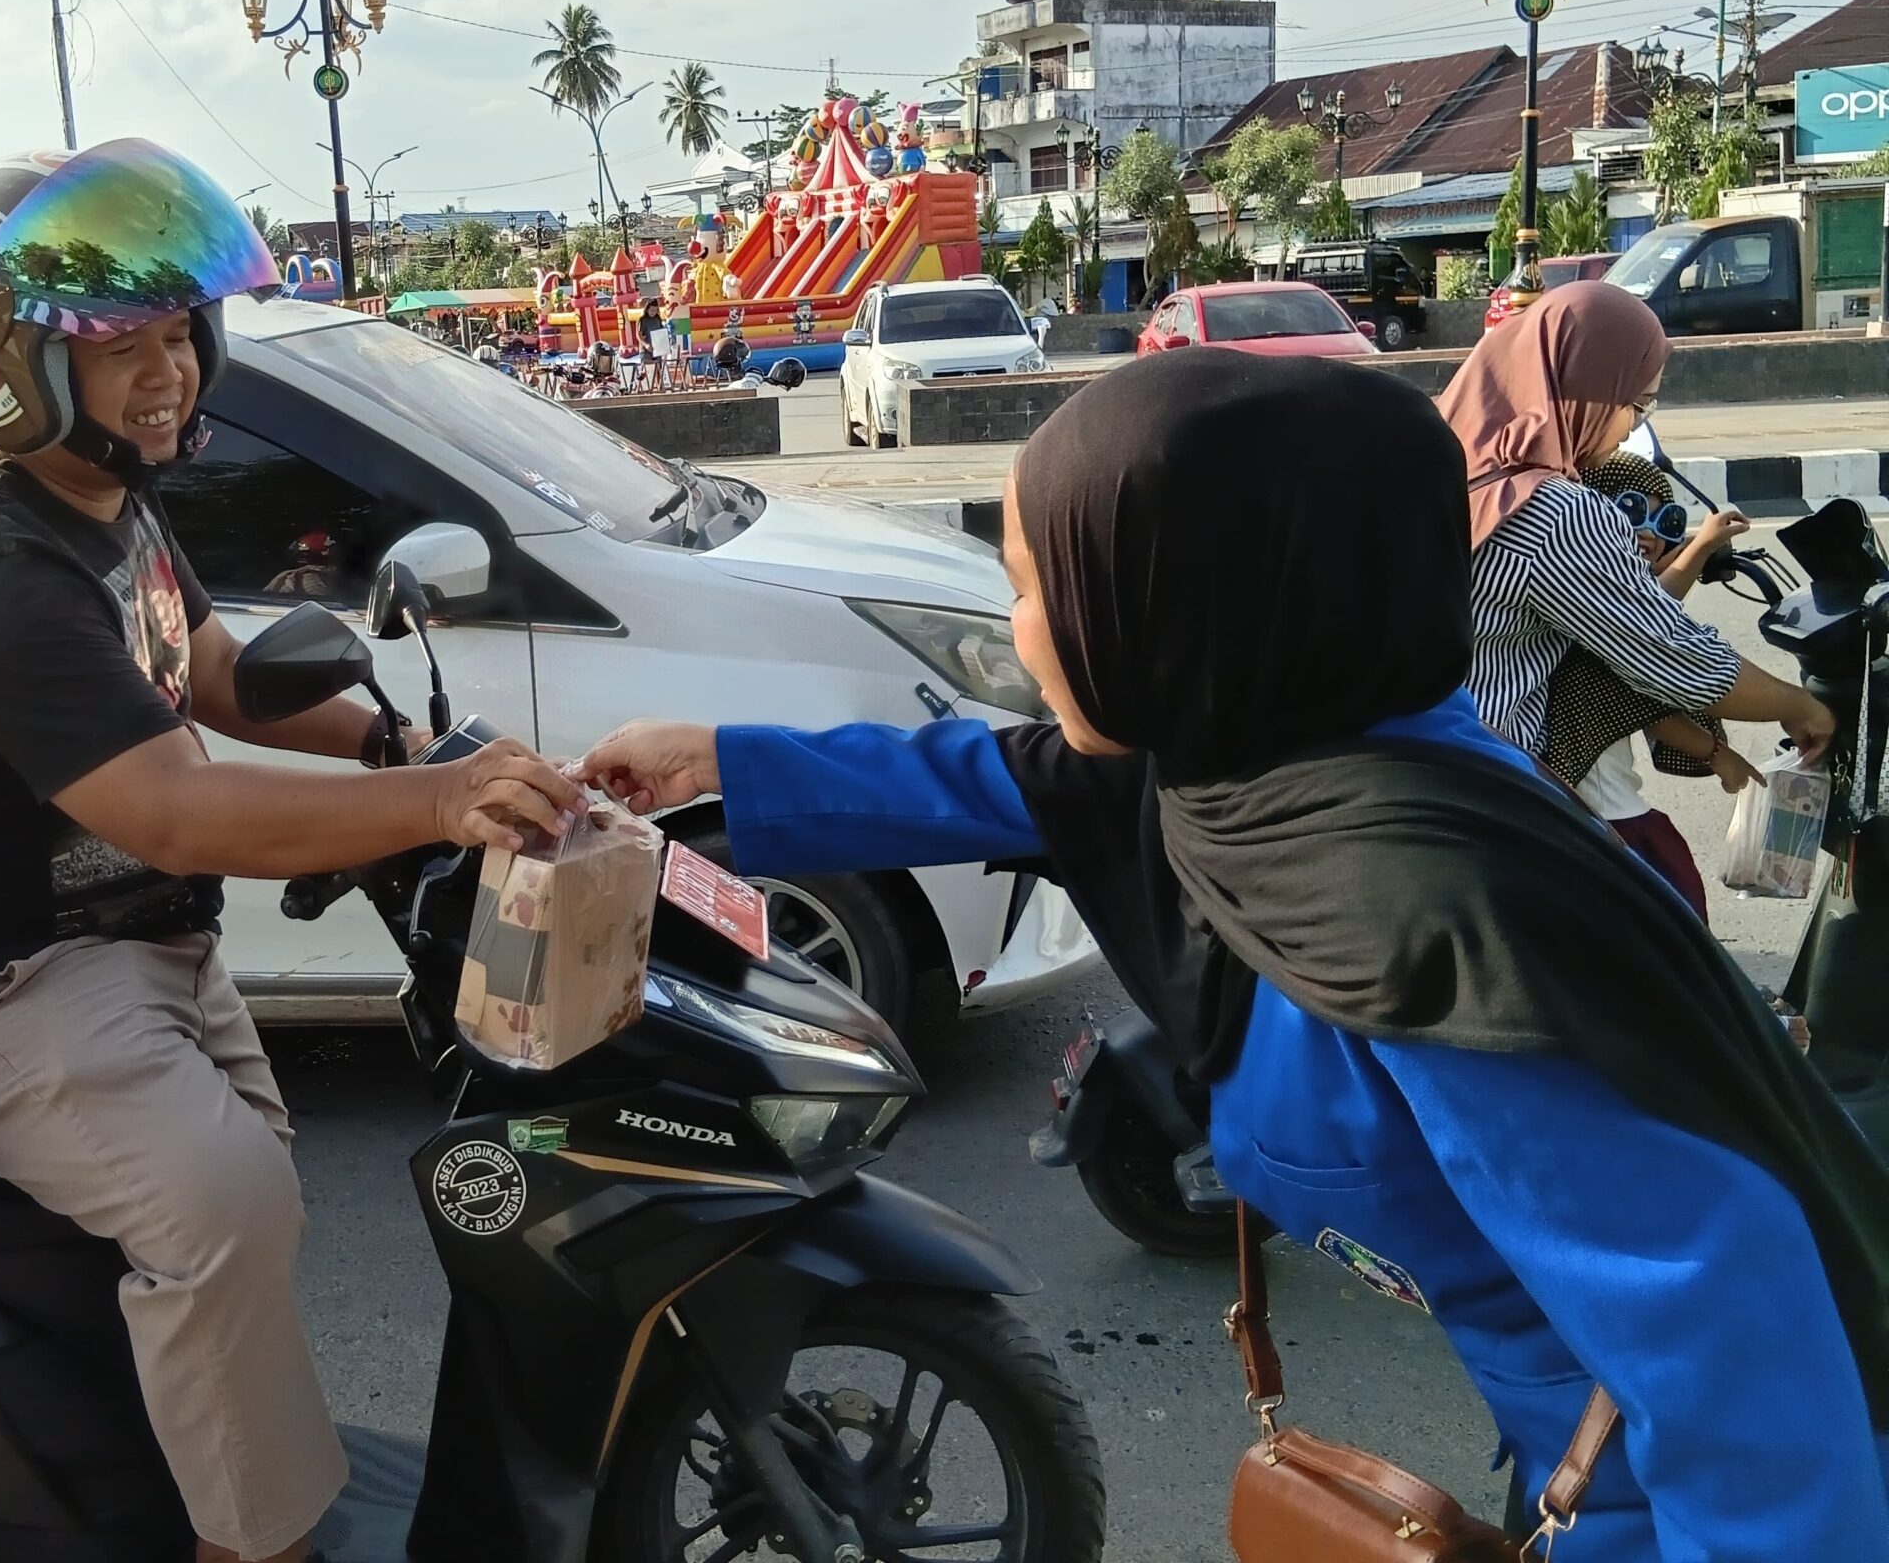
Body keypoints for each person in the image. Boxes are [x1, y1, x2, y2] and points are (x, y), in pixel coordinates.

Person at [583, 348, 1889, 1558]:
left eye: (1043, 584)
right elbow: (993, 774)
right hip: (1568, 1445)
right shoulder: (1253, 765)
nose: (1025, 629)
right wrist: (712, 756)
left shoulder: (1435, 924)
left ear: (1175, 603)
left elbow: (1745, 1367)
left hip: (1682, 1501)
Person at [0, 141, 582, 1563]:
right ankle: (253, 1547)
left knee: (256, 1185)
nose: (169, 369)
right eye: (121, 342)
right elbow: (175, 805)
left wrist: (388, 748)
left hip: (121, 955)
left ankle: (160, 1465)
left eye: (179, 331)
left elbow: (209, 665)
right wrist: (438, 805)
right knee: (225, 1208)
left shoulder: (107, 498)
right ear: (4, 358)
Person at [1436, 282, 1831, 781]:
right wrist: (1801, 706)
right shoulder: (1554, 513)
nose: (1630, 429)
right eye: (1636, 404)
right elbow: (1672, 655)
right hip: (1480, 783)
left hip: (1390, 756)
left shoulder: (1437, 460)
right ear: (1589, 387)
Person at [1539, 453, 1761, 918]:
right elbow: (1646, 661)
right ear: (1589, 510)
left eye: (1666, 520)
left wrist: (1694, 548)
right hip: (1598, 804)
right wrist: (1723, 758)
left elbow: (1650, 603)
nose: (1647, 531)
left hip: (1589, 798)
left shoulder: (1587, 583)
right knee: (1675, 908)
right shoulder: (1579, 598)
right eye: (1631, 509)